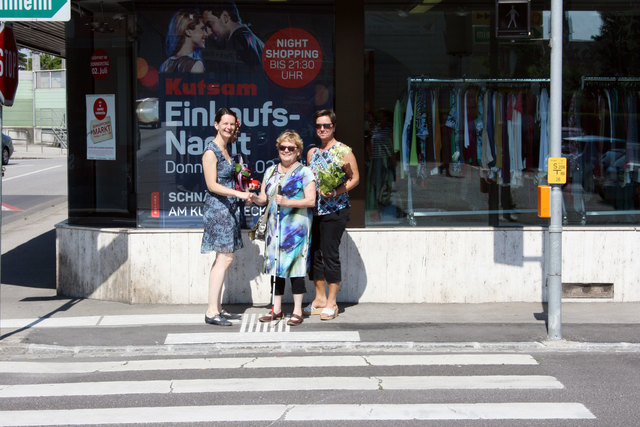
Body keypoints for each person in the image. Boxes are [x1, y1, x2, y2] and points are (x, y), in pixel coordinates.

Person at [253, 130, 316, 326]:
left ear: (298, 151)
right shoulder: (270, 171)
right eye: (283, 147)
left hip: (296, 230)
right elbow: (265, 198)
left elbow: (311, 200)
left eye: (291, 148)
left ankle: (297, 311)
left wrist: (287, 202)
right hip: (275, 229)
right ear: (278, 149)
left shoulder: (305, 172)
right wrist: (253, 198)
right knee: (276, 268)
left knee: (295, 269)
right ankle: (276, 309)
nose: (286, 151)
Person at [201, 108, 257, 326]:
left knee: (223, 257)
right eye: (224, 123)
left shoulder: (227, 149)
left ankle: (217, 308)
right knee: (225, 258)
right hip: (218, 209)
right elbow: (212, 185)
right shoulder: (210, 152)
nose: (228, 127)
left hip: (229, 208)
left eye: (232, 124)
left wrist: (244, 186)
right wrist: (239, 193)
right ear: (216, 125)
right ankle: (211, 311)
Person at [305, 109, 360, 320]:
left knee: (330, 254)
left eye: (326, 126)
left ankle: (332, 302)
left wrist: (336, 191)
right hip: (315, 209)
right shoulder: (312, 153)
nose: (322, 129)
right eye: (319, 126)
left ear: (333, 127)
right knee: (316, 253)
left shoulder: (343, 151)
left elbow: (354, 178)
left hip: (335, 210)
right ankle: (319, 298)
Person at [203, 1, 264, 67]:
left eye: (210, 24)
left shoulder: (238, 40)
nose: (208, 32)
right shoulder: (246, 36)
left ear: (225, 18)